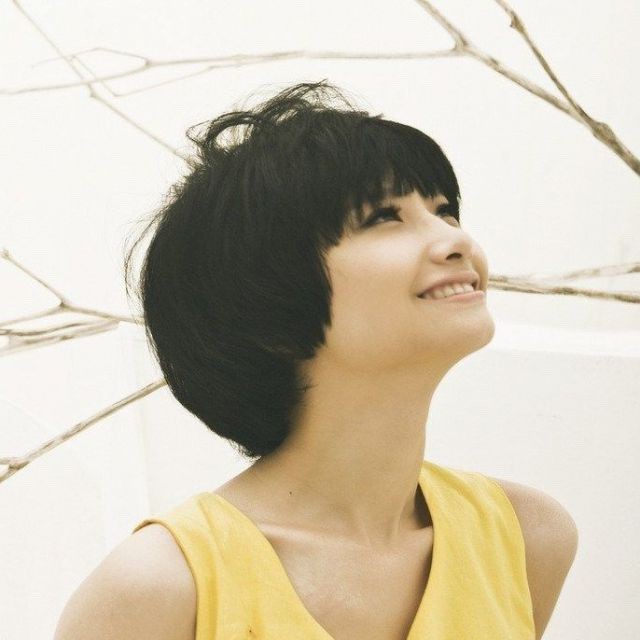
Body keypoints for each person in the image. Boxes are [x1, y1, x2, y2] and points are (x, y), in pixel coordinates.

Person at [54, 80, 578, 640]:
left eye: (444, 211)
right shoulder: (160, 588)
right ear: (268, 307)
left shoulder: (525, 538)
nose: (457, 241)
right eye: (384, 217)